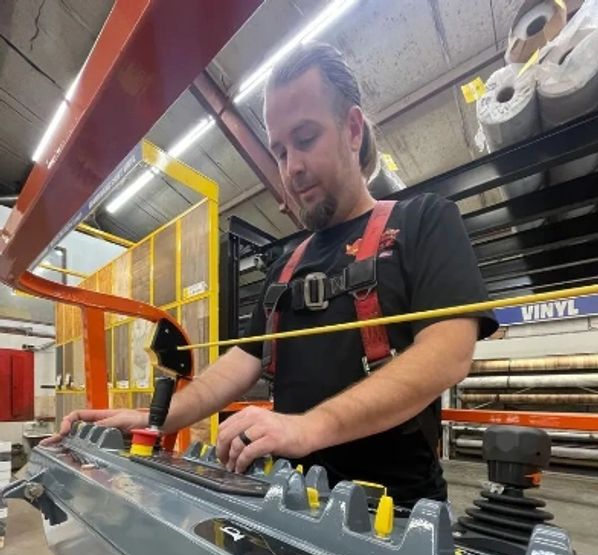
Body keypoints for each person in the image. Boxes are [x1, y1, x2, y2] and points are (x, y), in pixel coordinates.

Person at [47, 42, 497, 507]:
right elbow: (241, 363)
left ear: (352, 129)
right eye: (279, 151)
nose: (291, 167)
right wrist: (154, 419)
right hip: (288, 505)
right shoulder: (287, 264)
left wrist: (308, 427)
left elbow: (448, 353)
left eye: (305, 139)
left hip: (395, 515)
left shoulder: (424, 221)